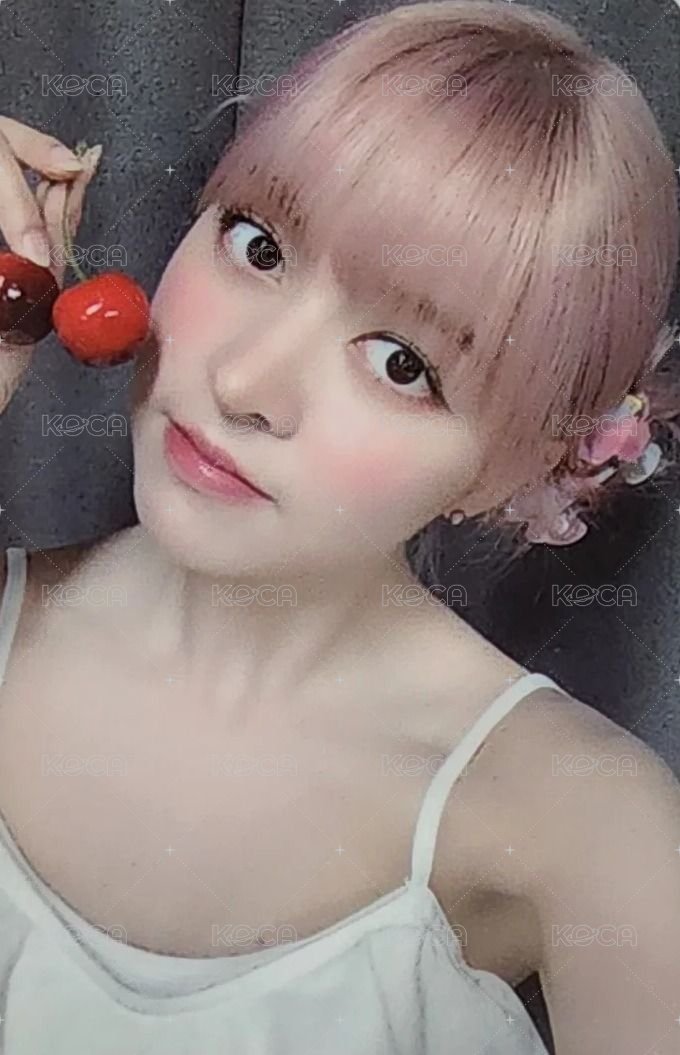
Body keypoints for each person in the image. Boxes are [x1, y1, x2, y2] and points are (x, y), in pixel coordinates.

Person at [0, 2, 678, 1052]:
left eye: (402, 365)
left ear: (518, 464)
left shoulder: (590, 826)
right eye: (257, 244)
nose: (245, 383)